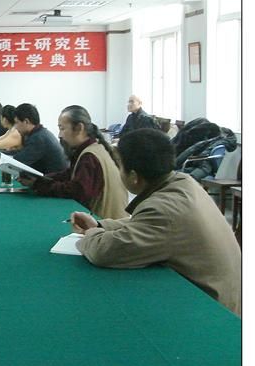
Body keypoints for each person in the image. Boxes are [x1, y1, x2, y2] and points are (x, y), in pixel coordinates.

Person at [70, 129, 241, 315]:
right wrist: (101, 225)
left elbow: (103, 252)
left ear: (134, 177)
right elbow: (146, 223)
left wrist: (91, 234)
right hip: (224, 296)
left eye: (120, 167)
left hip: (211, 311)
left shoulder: (164, 210)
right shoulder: (183, 181)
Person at [21, 105, 127, 219]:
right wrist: (42, 178)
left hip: (106, 224)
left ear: (79, 128)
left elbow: (77, 191)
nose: (60, 135)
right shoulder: (94, 148)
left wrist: (39, 185)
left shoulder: (90, 156)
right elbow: (70, 174)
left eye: (62, 128)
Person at [5, 103, 67, 174]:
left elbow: (18, 160)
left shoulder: (38, 138)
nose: (15, 127)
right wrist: (1, 154)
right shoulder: (40, 133)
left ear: (26, 121)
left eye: (17, 122)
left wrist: (1, 159)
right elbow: (23, 152)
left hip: (54, 179)